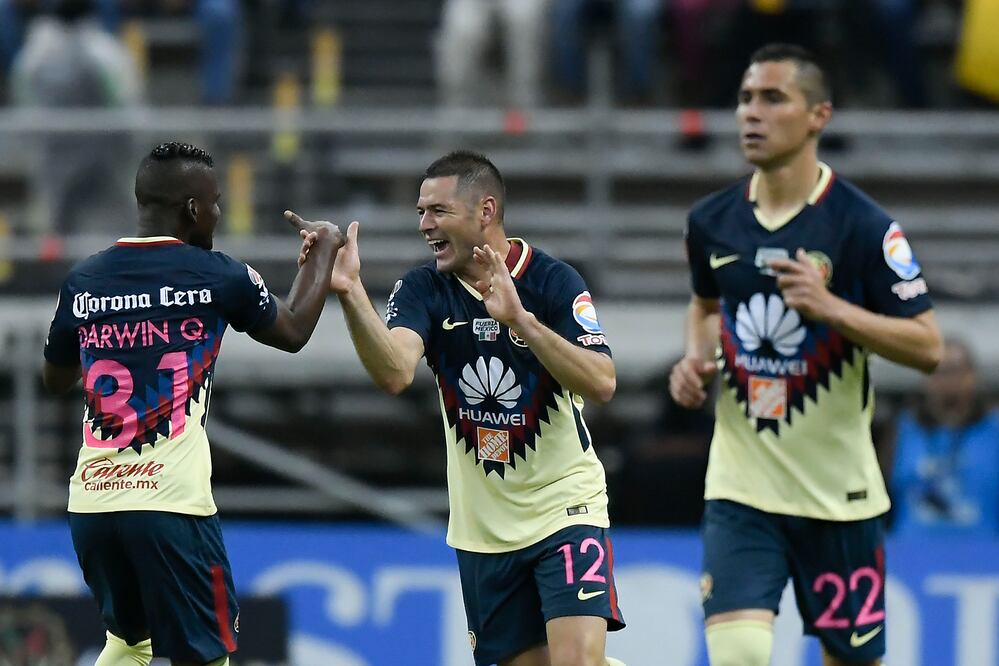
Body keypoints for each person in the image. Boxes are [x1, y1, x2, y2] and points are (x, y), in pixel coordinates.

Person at [669, 43, 943, 666]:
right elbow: (705, 305)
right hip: (741, 489)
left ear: (819, 115)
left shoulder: (864, 227)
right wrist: (695, 360)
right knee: (737, 655)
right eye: (744, 99)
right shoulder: (711, 221)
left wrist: (833, 309)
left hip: (838, 498)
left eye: (773, 98)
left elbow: (929, 346)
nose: (751, 114)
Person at [301, 150, 626, 666]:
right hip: (482, 528)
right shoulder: (423, 288)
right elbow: (394, 371)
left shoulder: (553, 281)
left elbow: (603, 382)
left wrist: (523, 322)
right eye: (420, 212)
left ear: (485, 212)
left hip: (566, 507)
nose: (425, 225)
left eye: (438, 211)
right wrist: (350, 291)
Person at [42, 141, 344, 666]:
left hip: (92, 504)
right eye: (215, 203)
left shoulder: (84, 280)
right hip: (170, 506)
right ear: (192, 209)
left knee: (129, 644)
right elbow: (294, 329)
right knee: (207, 654)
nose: (219, 214)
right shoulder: (217, 275)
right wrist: (325, 249)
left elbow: (54, 378)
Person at [889, 340, 999, 537]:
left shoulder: (994, 431)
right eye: (937, 371)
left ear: (972, 376)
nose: (947, 381)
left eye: (954, 370)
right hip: (910, 559)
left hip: (986, 560)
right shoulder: (901, 431)